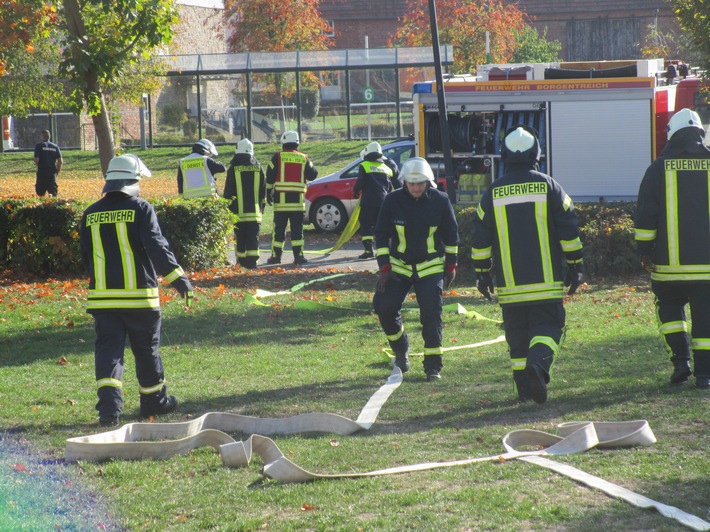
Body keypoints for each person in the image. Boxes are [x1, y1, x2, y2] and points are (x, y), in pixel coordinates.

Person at [471, 125, 584, 404]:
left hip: (510, 288)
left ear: (505, 154)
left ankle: (524, 391)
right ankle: (538, 366)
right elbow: (569, 231)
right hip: (546, 285)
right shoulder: (549, 186)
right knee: (549, 327)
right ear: (536, 153)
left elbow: (480, 239)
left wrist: (482, 274)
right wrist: (576, 266)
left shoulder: (493, 193)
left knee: (518, 339)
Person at [80, 154, 194, 427]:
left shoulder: (90, 213)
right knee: (146, 351)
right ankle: (154, 403)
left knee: (108, 354)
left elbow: (86, 258)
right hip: (140, 298)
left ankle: (109, 412)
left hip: (103, 299)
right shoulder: (141, 209)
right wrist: (179, 280)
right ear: (132, 181)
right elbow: (157, 247)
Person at [634, 108, 710, 390]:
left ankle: (681, 361)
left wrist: (644, 250)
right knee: (706, 319)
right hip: (708, 268)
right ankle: (705, 375)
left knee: (669, 309)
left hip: (668, 265)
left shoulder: (658, 168)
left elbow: (645, 217)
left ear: (672, 135)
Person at [373, 157, 458, 381]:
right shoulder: (392, 201)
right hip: (398, 268)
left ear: (429, 182)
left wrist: (451, 266)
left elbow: (452, 235)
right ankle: (401, 349)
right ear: (404, 182)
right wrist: (384, 267)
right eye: (411, 183)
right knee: (383, 306)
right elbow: (380, 236)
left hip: (429, 267)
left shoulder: (441, 201)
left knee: (431, 315)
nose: (416, 187)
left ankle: (433, 367)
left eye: (420, 183)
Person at [265, 130, 318, 265]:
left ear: (283, 142)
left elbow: (270, 176)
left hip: (281, 202)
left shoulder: (277, 157)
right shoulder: (303, 158)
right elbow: (313, 174)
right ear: (297, 143)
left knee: (278, 230)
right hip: (297, 203)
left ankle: (276, 257)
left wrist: (268, 192)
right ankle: (299, 257)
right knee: (297, 230)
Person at [223, 138, 266, 269]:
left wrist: (228, 209)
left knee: (240, 239)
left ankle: (241, 263)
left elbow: (228, 192)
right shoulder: (258, 168)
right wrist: (261, 208)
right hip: (255, 213)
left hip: (238, 214)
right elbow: (263, 192)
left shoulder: (233, 169)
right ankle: (252, 263)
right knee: (253, 238)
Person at [353, 141, 401, 259]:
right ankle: (383, 251)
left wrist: (355, 192)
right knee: (381, 227)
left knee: (366, 225)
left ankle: (369, 250)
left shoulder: (364, 165)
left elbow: (360, 183)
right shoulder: (386, 168)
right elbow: (392, 186)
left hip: (368, 202)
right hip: (384, 202)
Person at [33, 130, 63, 197]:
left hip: (42, 172)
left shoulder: (39, 146)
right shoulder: (55, 147)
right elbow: (60, 161)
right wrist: (57, 172)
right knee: (53, 194)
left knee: (40, 194)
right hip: (51, 173)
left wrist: (38, 164)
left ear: (42, 136)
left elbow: (36, 159)